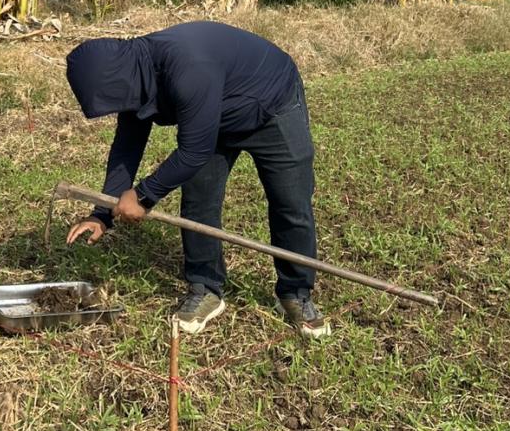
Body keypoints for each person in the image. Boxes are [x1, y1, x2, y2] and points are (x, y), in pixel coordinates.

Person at [64, 21, 329, 338]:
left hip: (272, 105)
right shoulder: (133, 73)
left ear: (121, 81)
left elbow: (193, 152)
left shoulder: (187, 69)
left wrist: (144, 196)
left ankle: (295, 292)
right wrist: (103, 212)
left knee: (290, 202)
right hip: (212, 119)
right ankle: (205, 288)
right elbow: (127, 145)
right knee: (199, 202)